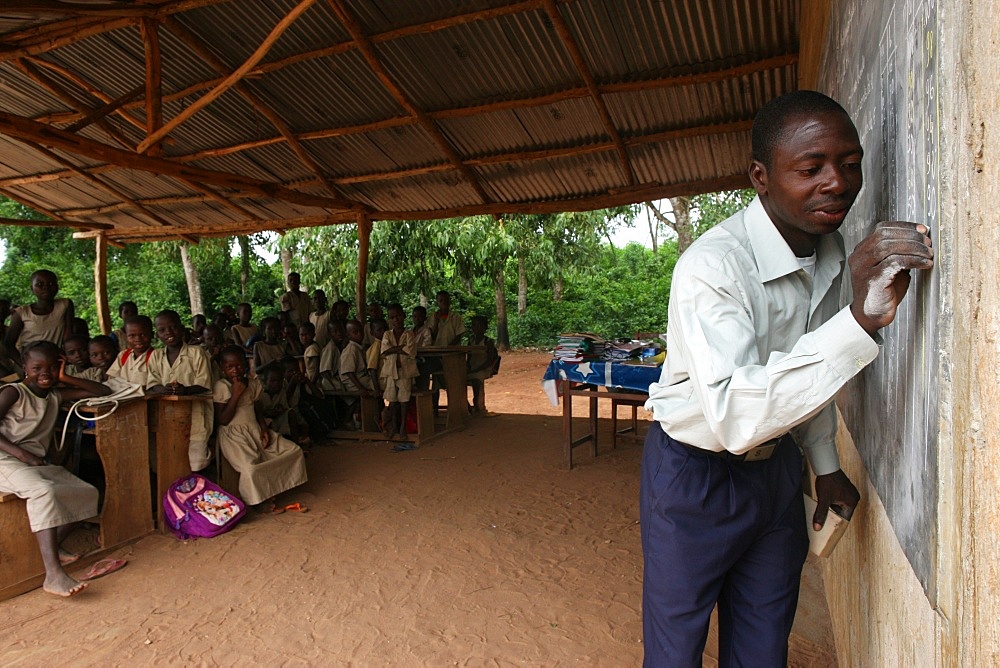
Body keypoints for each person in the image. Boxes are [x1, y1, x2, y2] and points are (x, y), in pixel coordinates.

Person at [639, 90, 935, 666]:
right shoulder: (712, 268)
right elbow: (735, 416)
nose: (837, 183)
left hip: (775, 475)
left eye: (850, 165)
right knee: (675, 650)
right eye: (811, 168)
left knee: (763, 644)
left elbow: (806, 372)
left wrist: (824, 466)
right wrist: (858, 320)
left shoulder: (830, 250)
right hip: (691, 478)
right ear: (761, 177)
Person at [0, 341, 111, 596]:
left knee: (86, 493)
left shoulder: (55, 395)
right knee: (43, 491)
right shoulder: (13, 392)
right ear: (24, 367)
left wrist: (66, 377)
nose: (45, 373)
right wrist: (22, 454)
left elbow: (102, 390)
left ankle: (54, 544)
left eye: (52, 367)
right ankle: (53, 574)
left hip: (29, 464)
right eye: (37, 367)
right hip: (6, 460)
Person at [213, 346, 307, 509]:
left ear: (246, 364)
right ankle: (257, 501)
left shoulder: (253, 382)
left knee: (293, 451)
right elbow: (223, 419)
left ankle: (272, 489)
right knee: (251, 468)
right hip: (234, 436)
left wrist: (264, 428)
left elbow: (256, 407)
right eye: (230, 367)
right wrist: (236, 393)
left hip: (254, 429)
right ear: (222, 368)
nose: (235, 370)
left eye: (239, 365)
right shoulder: (222, 386)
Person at [146, 310, 214, 472]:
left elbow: (204, 383)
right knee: (167, 460)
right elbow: (152, 383)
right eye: (162, 330)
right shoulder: (156, 356)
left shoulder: (197, 353)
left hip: (196, 415)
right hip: (166, 416)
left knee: (196, 461)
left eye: (173, 327)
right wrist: (164, 389)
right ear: (157, 335)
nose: (168, 332)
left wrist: (185, 390)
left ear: (182, 329)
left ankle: (199, 490)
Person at [4, 270, 74, 355]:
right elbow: (8, 345)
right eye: (39, 284)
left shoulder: (65, 305)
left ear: (57, 287)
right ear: (32, 288)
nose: (46, 287)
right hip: (30, 361)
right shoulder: (21, 313)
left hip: (56, 358)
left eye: (51, 284)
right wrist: (23, 365)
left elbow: (68, 336)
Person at [380, 304, 418, 440]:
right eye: (392, 317)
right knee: (392, 400)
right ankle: (394, 425)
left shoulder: (409, 333)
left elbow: (411, 351)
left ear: (403, 316)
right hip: (391, 371)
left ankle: (402, 427)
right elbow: (384, 350)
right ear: (389, 320)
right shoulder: (387, 334)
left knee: (404, 400)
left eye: (398, 316)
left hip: (405, 371)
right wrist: (400, 348)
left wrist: (393, 348)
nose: (396, 319)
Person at [106, 315, 155, 386]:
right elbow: (112, 380)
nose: (138, 339)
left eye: (143, 335)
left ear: (152, 335)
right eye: (132, 336)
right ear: (126, 337)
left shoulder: (155, 357)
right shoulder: (123, 355)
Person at [466, 315, 500, 414]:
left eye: (479, 325)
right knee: (457, 382)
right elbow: (469, 358)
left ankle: (479, 405)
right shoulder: (471, 341)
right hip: (473, 368)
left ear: (485, 328)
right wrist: (468, 368)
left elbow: (489, 360)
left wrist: (476, 369)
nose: (477, 328)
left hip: (484, 368)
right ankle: (467, 406)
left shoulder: (488, 342)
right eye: (474, 325)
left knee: (477, 378)